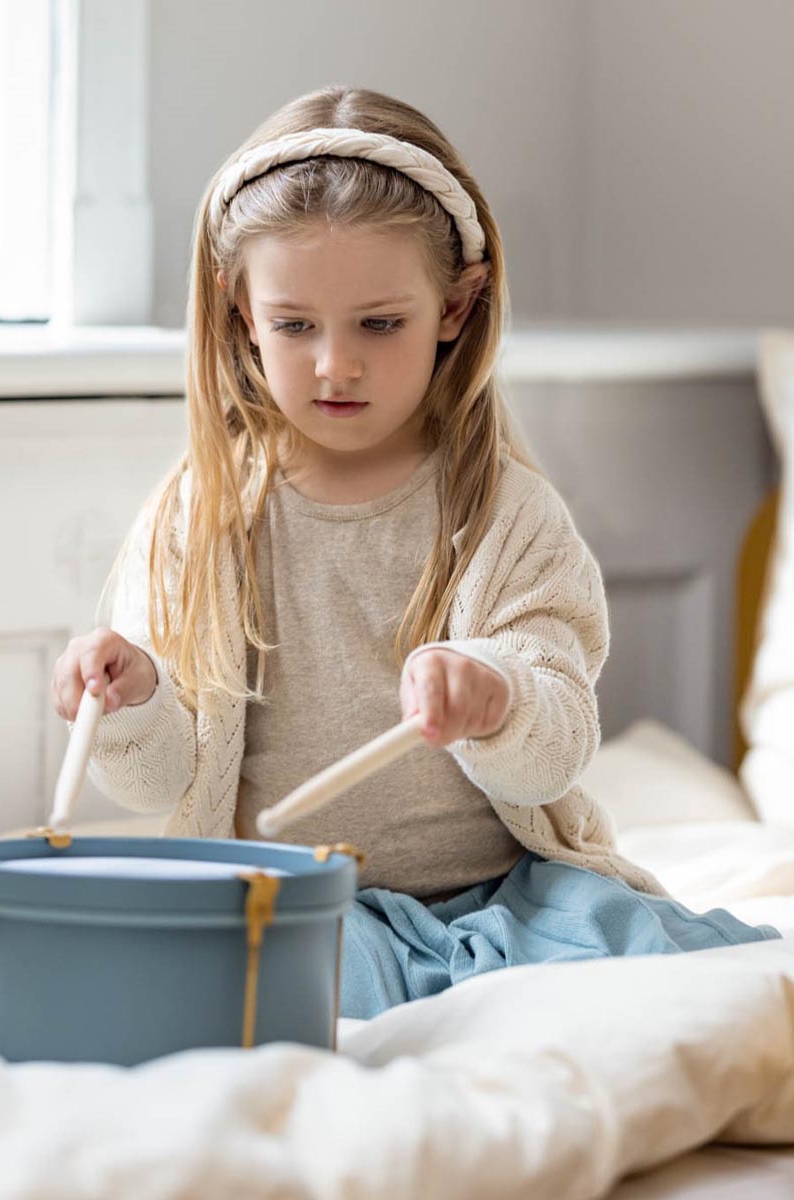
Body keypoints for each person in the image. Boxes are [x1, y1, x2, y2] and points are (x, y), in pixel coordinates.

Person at [50, 85, 779, 1018]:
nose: (335, 365)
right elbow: (157, 783)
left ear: (456, 307)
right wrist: (130, 699)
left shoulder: (505, 511)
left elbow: (552, 757)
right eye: (295, 325)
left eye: (379, 324)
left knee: (679, 977)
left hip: (512, 897)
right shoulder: (205, 517)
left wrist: (499, 697)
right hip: (307, 900)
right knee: (272, 1000)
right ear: (241, 311)